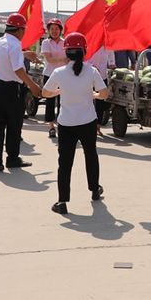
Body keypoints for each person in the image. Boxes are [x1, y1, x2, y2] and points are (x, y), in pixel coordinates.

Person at [42, 32, 108, 215]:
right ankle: (94, 189)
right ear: (84, 51)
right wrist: (93, 94)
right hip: (88, 121)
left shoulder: (59, 72)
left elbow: (45, 93)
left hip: (66, 123)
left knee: (65, 162)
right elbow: (104, 94)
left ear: (66, 52)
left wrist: (59, 91)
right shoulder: (92, 71)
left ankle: (62, 201)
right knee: (91, 155)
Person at [0, 13, 42, 173]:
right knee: (14, 125)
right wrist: (33, 86)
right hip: (11, 90)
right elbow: (18, 69)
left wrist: (24, 54)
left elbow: (7, 57)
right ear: (19, 30)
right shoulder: (15, 44)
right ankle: (12, 158)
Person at [41, 18, 66, 138]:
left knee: (63, 101)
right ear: (49, 30)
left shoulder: (65, 42)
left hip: (63, 75)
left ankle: (62, 125)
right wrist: (64, 60)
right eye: (52, 29)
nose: (54, 31)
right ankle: (51, 126)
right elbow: (49, 59)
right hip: (50, 75)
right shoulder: (46, 43)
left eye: (57, 29)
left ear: (60, 30)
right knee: (50, 101)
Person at [86, 45, 115, 136]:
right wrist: (92, 66)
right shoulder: (90, 44)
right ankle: (87, 125)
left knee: (100, 102)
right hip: (89, 76)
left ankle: (98, 126)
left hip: (102, 76)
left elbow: (111, 57)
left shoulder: (108, 46)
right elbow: (84, 59)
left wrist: (112, 64)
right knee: (88, 101)